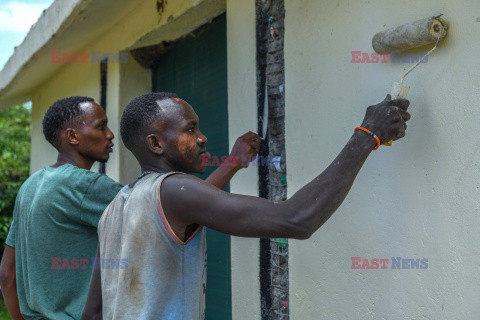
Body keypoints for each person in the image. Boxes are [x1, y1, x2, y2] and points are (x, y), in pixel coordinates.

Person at [82, 92, 411, 319]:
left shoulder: (116, 207)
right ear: (155, 143)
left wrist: (233, 163)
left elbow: (93, 313)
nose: (202, 138)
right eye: (190, 129)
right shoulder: (175, 191)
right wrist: (368, 135)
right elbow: (297, 219)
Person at [0, 96, 259, 320]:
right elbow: (174, 210)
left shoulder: (31, 186)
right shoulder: (85, 186)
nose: (110, 134)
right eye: (101, 126)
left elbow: (7, 273)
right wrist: (233, 163)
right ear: (73, 136)